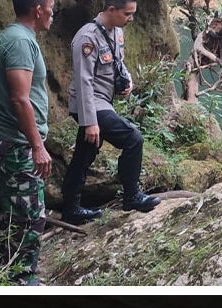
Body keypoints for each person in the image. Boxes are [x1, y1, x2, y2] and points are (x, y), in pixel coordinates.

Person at [61, 0, 159, 223]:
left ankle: (70, 208)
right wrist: (90, 121)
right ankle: (131, 196)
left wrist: (128, 82)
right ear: (111, 10)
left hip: (103, 102)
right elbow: (84, 81)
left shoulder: (117, 33)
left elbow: (118, 63)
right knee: (132, 138)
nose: (131, 19)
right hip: (89, 105)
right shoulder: (87, 37)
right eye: (127, 14)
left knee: (85, 154)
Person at [0, 0, 56, 286]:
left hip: (4, 138)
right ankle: (22, 280)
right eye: (51, 5)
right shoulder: (20, 42)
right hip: (16, 144)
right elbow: (20, 98)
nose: (54, 10)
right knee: (29, 214)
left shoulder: (16, 36)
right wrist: (37, 146)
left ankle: (1, 269)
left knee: (5, 207)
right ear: (38, 9)